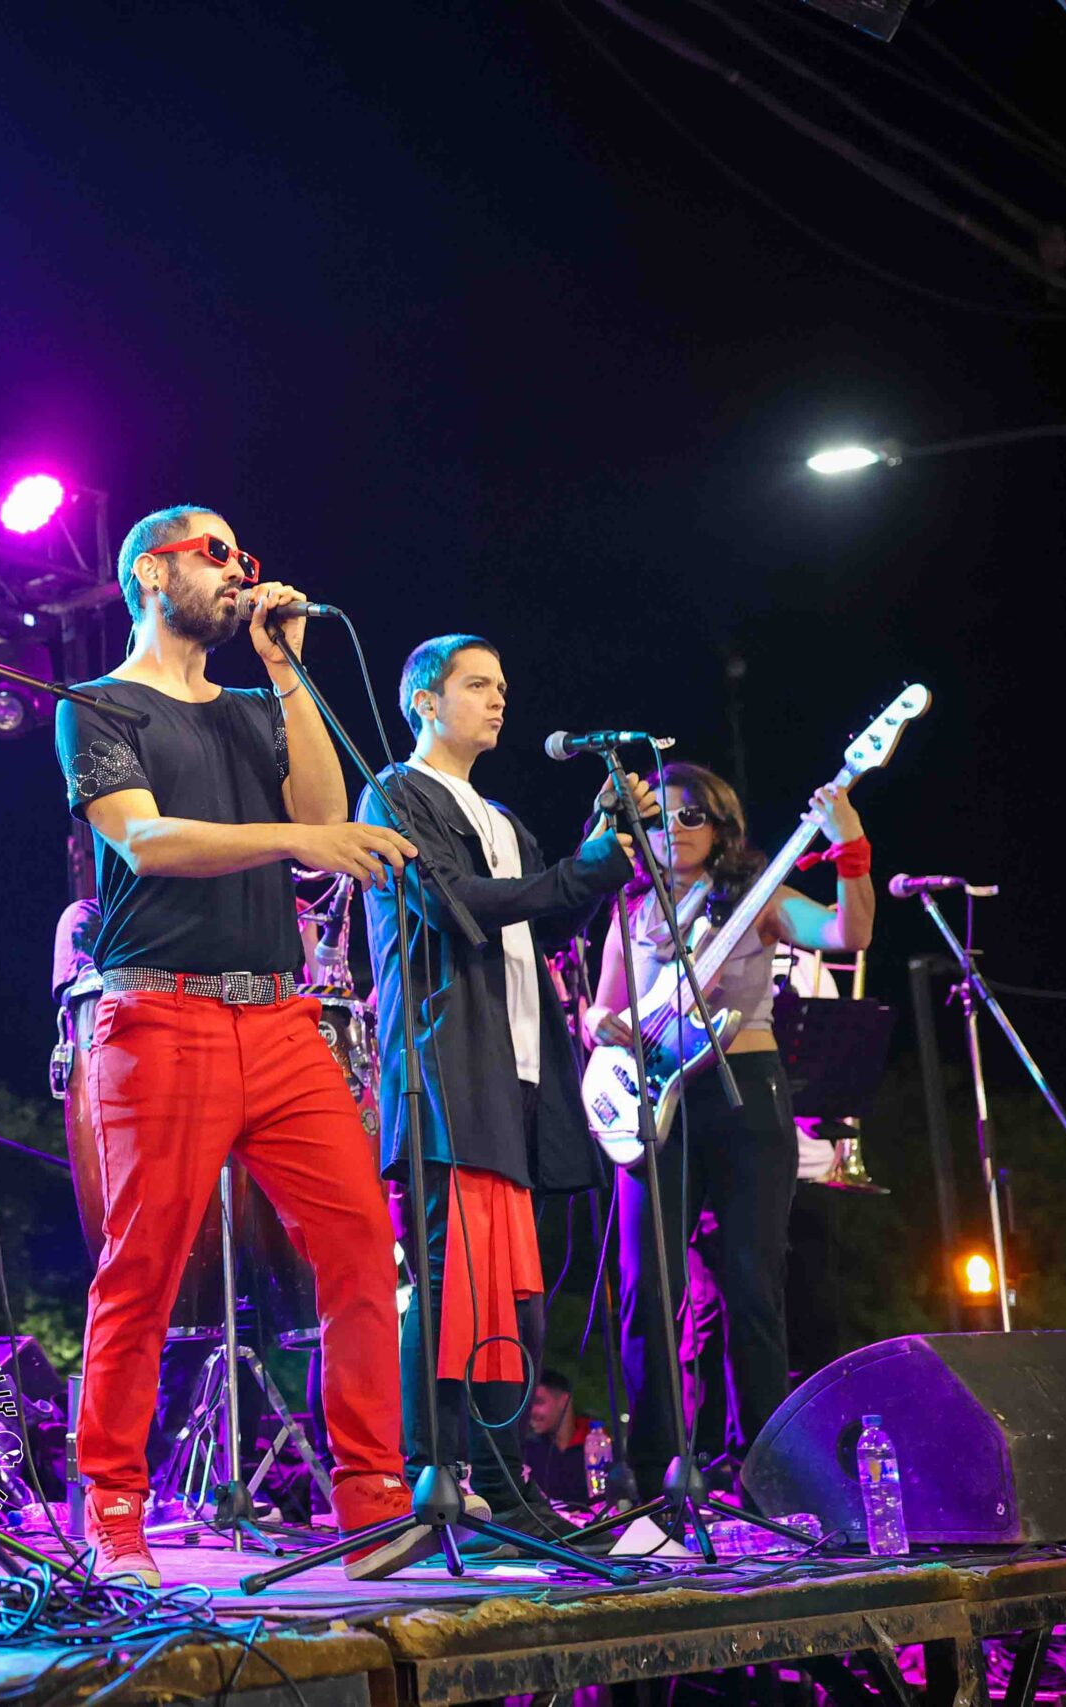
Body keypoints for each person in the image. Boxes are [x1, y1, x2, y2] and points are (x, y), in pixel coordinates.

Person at [53, 503, 424, 1585]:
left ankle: (372, 1503)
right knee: (143, 1267)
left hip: (278, 1015)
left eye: (242, 555)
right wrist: (303, 837)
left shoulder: (260, 704)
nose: (238, 570)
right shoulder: (97, 704)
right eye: (215, 553)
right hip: (156, 1014)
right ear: (148, 572)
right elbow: (146, 840)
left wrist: (288, 668)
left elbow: (322, 807)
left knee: (362, 1246)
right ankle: (113, 1513)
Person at [357, 635, 647, 1540]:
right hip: (449, 1069)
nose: (498, 698)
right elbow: (459, 905)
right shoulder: (395, 794)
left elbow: (543, 918)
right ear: (424, 700)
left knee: (512, 1293)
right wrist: (581, 868)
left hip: (519, 1068)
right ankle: (434, 1478)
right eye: (478, 684)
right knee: (451, 1284)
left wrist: (600, 851)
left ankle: (503, 1483)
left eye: (503, 685)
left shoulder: (505, 819)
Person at [587, 761, 872, 1504]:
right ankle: (653, 1475)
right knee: (646, 1287)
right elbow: (601, 1010)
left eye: (691, 816)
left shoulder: (757, 898)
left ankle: (765, 1473)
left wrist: (850, 845)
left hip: (745, 1095)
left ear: (722, 827)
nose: (673, 830)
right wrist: (600, 1024)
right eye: (659, 818)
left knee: (752, 1284)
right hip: (655, 1103)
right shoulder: (631, 910)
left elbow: (849, 932)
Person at [522, 1368, 594, 1506]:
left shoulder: (597, 1446)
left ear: (564, 1400)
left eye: (538, 1402)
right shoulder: (528, 1451)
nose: (531, 1411)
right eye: (528, 1405)